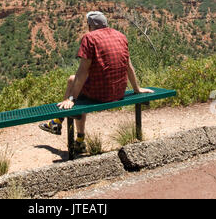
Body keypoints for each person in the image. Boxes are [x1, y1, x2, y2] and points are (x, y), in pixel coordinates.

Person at [39, 11, 154, 153]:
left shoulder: (89, 38)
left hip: (100, 94)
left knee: (72, 81)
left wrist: (71, 98)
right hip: (118, 92)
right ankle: (62, 126)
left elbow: (82, 72)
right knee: (78, 90)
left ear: (90, 26)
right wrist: (137, 88)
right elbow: (129, 67)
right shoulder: (121, 36)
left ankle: (65, 127)